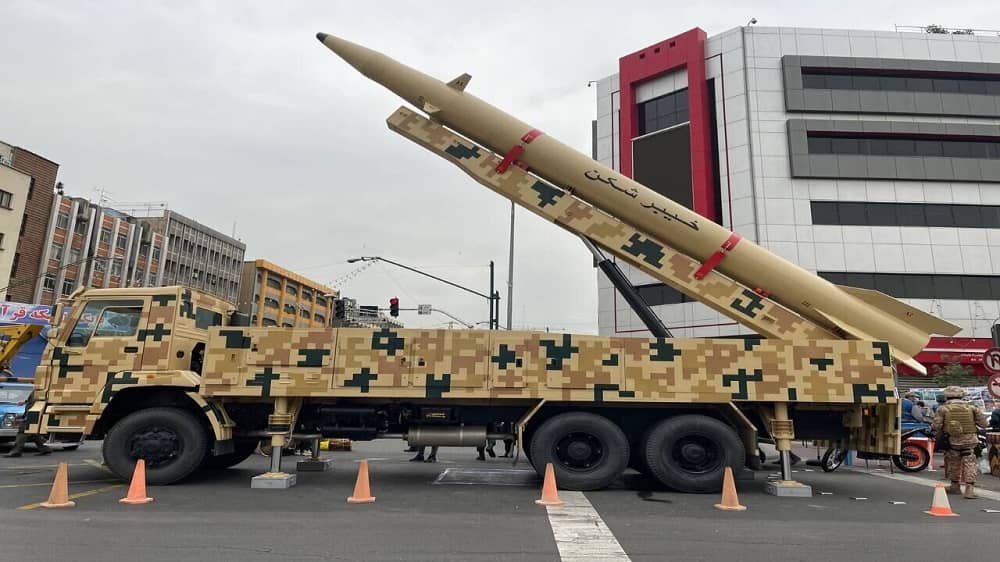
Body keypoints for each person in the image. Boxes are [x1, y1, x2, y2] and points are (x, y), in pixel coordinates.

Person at [932, 386, 989, 499]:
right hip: (970, 441)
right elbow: (984, 424)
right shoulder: (972, 408)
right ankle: (969, 489)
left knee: (954, 462)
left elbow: (936, 426)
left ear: (947, 396)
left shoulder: (943, 409)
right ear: (962, 396)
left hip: (952, 441)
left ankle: (955, 486)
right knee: (970, 463)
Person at [6, 391, 52, 458]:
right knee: (33, 432)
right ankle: (44, 448)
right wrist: (25, 402)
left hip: (33, 414)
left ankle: (16, 451)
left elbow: (38, 401)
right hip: (34, 413)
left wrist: (28, 416)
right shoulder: (39, 389)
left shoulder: (41, 389)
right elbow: (36, 399)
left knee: (22, 431)